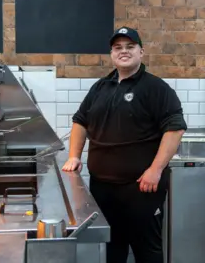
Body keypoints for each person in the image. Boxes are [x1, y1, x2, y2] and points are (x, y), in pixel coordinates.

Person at [62, 26, 187, 263]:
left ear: (142, 52)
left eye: (130, 47)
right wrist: (74, 156)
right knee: (111, 249)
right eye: (118, 48)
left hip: (141, 188)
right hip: (102, 189)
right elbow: (80, 121)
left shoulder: (156, 88)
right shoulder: (100, 87)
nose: (124, 52)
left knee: (147, 250)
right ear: (111, 54)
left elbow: (175, 128)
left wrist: (156, 169)